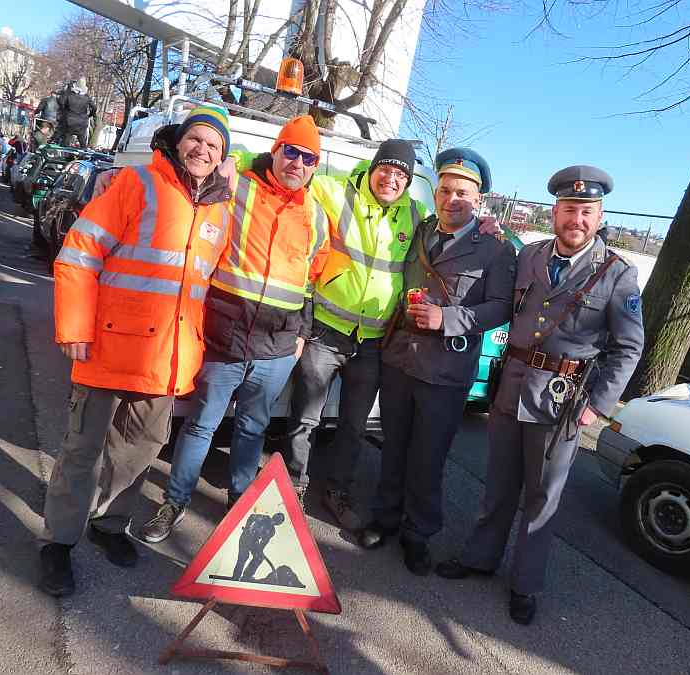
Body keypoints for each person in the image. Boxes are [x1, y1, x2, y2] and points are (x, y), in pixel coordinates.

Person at [38, 104, 234, 598]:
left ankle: (109, 524)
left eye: (214, 145)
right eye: (196, 138)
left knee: (138, 451)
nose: (202, 149)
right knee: (82, 451)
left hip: (166, 360)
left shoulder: (220, 210)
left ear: (223, 158)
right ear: (177, 141)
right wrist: (74, 327)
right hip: (107, 348)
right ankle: (58, 543)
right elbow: (78, 255)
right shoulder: (137, 183)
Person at [435, 165, 644, 625]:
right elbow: (499, 285)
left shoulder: (617, 274)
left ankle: (525, 584)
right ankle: (480, 558)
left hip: (562, 401)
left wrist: (598, 406)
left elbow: (629, 347)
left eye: (586, 211)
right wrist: (489, 228)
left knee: (541, 498)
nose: (576, 219)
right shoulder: (529, 255)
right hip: (510, 387)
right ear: (554, 212)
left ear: (599, 216)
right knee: (499, 484)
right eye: (569, 209)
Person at [138, 115, 331, 544]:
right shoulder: (237, 185)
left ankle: (240, 506)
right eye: (291, 151)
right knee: (200, 426)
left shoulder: (317, 216)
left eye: (308, 158)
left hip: (276, 348)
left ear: (315, 166)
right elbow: (193, 182)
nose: (297, 163)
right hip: (224, 336)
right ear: (275, 151)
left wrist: (302, 333)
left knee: (252, 429)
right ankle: (174, 502)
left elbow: (311, 282)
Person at [359, 148, 516, 575]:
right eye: (445, 190)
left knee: (428, 458)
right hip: (400, 359)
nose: (451, 199)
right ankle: (385, 517)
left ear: (478, 199)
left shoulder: (496, 249)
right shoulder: (421, 227)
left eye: (462, 193)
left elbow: (501, 307)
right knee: (394, 446)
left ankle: (418, 533)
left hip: (446, 369)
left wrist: (448, 319)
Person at [275, 139, 428, 530]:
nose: (391, 179)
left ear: (408, 181)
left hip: (373, 342)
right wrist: (238, 159)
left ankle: (336, 492)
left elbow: (450, 227)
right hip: (326, 332)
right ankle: (293, 486)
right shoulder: (337, 192)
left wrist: (488, 225)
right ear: (373, 168)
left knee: (354, 426)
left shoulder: (416, 214)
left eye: (401, 174)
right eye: (386, 169)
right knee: (305, 418)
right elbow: (290, 173)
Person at [60, 78, 96, 149]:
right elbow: (94, 108)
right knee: (82, 141)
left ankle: (64, 152)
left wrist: (65, 111)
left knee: (66, 140)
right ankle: (84, 152)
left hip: (69, 121)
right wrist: (89, 115)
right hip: (82, 122)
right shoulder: (87, 98)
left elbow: (61, 103)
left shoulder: (70, 95)